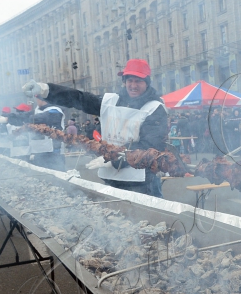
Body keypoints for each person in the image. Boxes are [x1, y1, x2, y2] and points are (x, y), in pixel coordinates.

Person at [23, 59, 167, 197]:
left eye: (139, 81)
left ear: (147, 83)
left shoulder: (155, 108)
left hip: (141, 180)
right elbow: (79, 98)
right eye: (130, 80)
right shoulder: (110, 101)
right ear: (124, 81)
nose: (133, 85)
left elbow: (149, 146)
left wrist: (114, 159)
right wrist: (46, 90)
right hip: (111, 176)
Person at [30, 99, 67, 172]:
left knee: (57, 173)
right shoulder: (38, 110)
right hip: (40, 151)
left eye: (37, 99)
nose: (36, 101)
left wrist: (26, 118)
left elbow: (40, 118)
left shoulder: (55, 110)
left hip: (54, 151)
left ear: (42, 100)